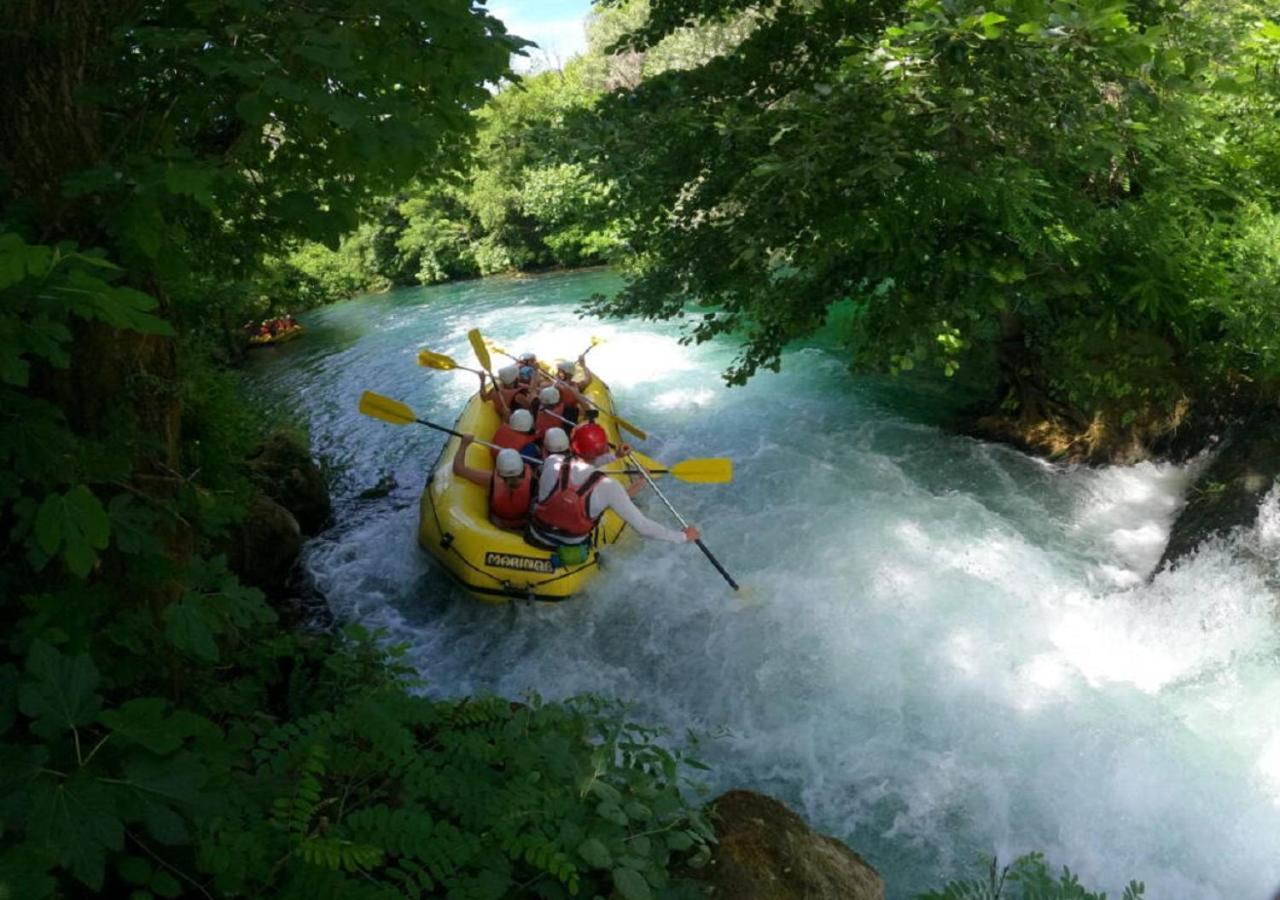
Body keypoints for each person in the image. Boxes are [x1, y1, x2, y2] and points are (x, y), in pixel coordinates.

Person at [529, 422, 699, 557]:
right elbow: (643, 527)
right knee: (603, 507)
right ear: (603, 448)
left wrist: (615, 457)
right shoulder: (609, 487)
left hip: (536, 534)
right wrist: (683, 537)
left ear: (572, 445)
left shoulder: (552, 461)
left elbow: (580, 466)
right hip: (571, 543)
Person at [452, 437, 534, 530]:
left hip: (498, 523)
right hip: (523, 524)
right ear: (522, 467)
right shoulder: (534, 481)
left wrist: (464, 444)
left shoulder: (490, 479)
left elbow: (458, 469)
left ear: (498, 470)